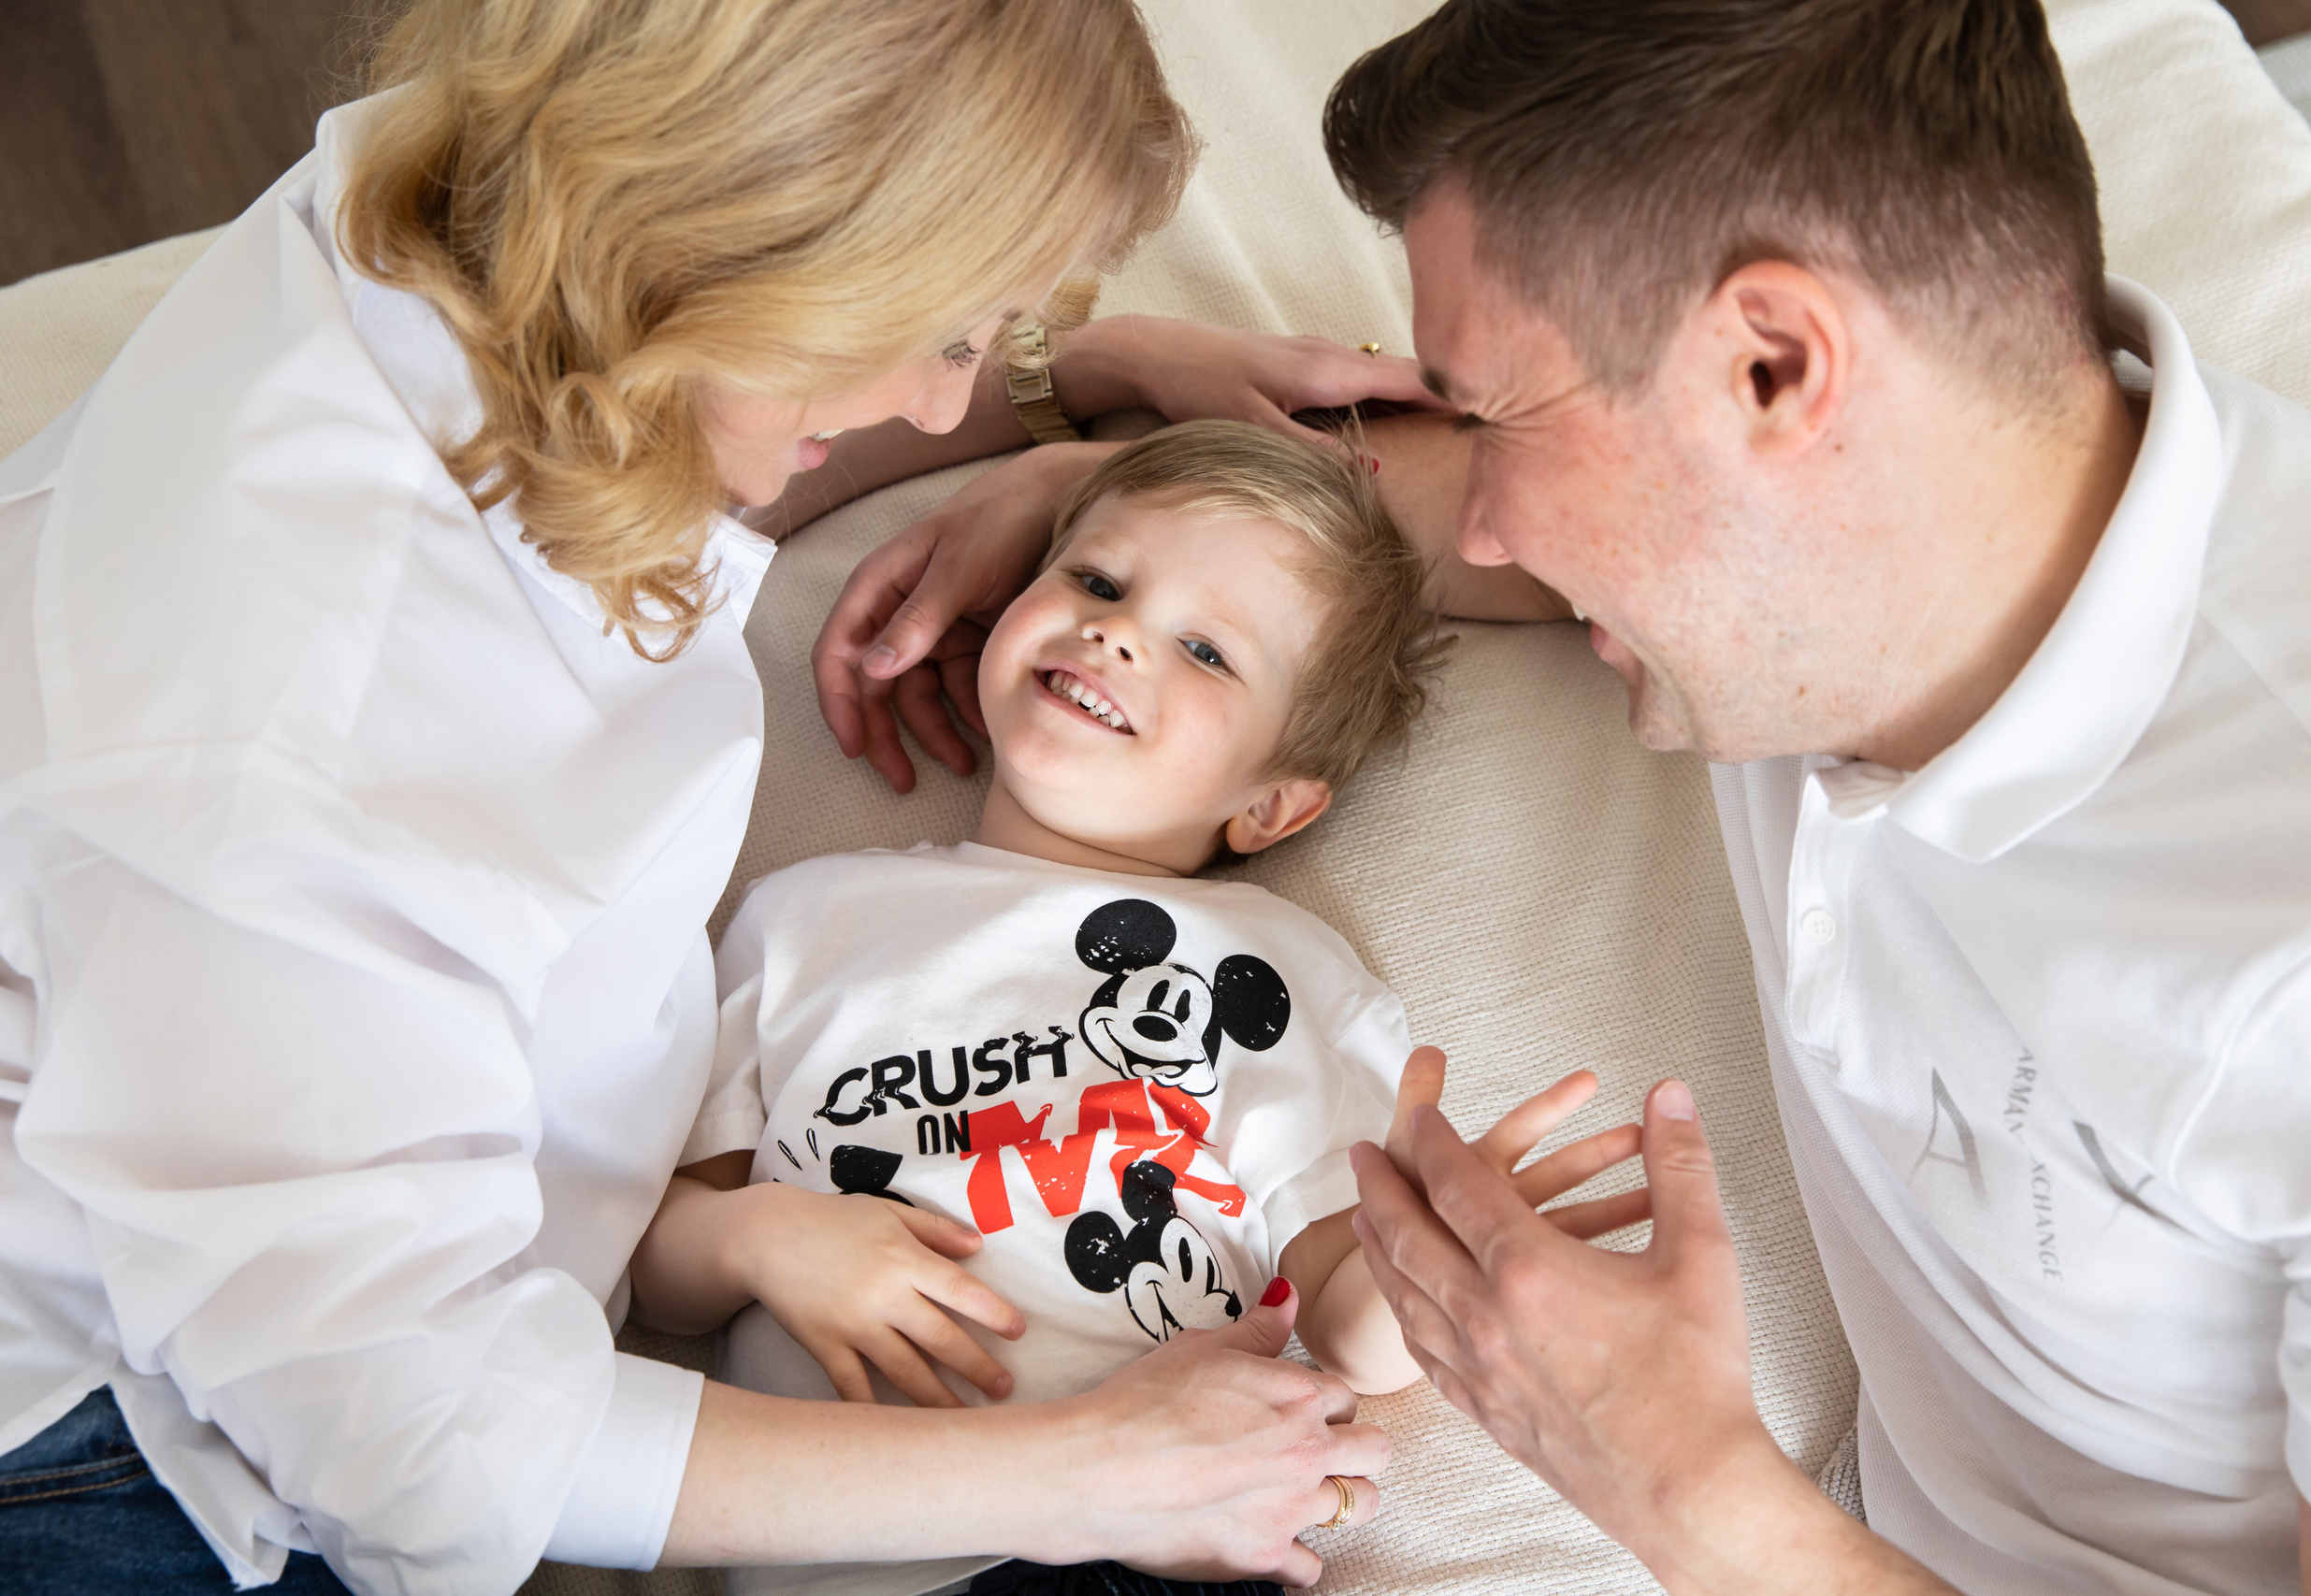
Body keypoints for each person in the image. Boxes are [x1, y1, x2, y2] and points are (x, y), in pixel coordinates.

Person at [815, 1, 2311, 1591]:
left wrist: (1683, 1485)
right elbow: (1350, 532)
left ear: (1774, 367)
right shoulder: (1887, 543)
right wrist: (1077, 469)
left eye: (1496, 417)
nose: (1482, 526)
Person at [0, 4, 1440, 1593]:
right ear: (762, 248)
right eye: (939, 329)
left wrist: (1072, 390)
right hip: (124, 1458)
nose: (943, 407)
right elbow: (399, 1433)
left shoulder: (463, 222)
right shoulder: (305, 705)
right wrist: (1079, 1474)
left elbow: (600, 424)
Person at [631, 422, 1644, 1596]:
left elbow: (1347, 1326)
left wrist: (1444, 1267)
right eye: (1097, 580)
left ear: (1271, 806)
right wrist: (759, 1237)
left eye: (1207, 652)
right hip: (845, 1542)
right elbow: (655, 1270)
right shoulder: (804, 919)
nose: (1115, 630)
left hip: (1152, 1552)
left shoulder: (1280, 973)